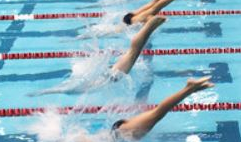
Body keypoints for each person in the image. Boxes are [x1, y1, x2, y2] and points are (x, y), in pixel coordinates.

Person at [12, 77, 215, 142]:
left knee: (158, 114)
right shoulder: (75, 140)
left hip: (118, 136)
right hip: (117, 134)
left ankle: (188, 89)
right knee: (157, 115)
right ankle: (188, 89)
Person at [37, 16, 167, 95]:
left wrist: (42, 92)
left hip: (112, 76)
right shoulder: (79, 83)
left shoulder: (76, 88)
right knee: (133, 52)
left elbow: (63, 89)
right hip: (109, 75)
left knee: (133, 52)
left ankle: (149, 26)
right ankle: (149, 27)